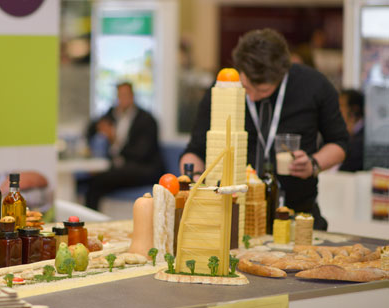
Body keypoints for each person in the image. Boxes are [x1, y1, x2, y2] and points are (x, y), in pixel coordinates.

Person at [180, 29, 348, 230]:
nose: (250, 97)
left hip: (295, 213)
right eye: (246, 87)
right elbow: (194, 150)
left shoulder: (315, 86)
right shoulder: (222, 89)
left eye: (262, 91)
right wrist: (197, 178)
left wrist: (313, 164)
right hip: (235, 215)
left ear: (283, 73)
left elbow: (339, 143)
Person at [84, 82, 164, 210]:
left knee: (98, 182)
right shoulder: (112, 114)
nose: (122, 98)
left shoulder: (146, 119)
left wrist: (115, 140)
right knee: (88, 181)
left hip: (144, 169)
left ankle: (90, 220)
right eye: (119, 95)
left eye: (125, 95)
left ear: (132, 96)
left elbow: (141, 153)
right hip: (121, 168)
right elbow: (91, 128)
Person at [338, 89, 364, 172]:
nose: (338, 110)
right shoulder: (343, 131)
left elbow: (345, 169)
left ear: (354, 110)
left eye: (341, 105)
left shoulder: (363, 138)